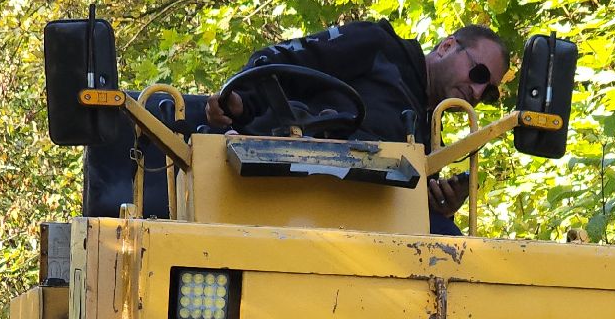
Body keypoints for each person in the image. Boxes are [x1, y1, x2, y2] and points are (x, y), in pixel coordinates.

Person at [205, 21, 509, 231]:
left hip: (363, 226)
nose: (477, 92)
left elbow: (408, 216)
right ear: (447, 46)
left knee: (448, 241)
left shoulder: (428, 133)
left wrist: (441, 206)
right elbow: (284, 59)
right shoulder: (377, 45)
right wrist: (242, 101)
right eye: (479, 74)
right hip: (283, 193)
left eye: (489, 92)